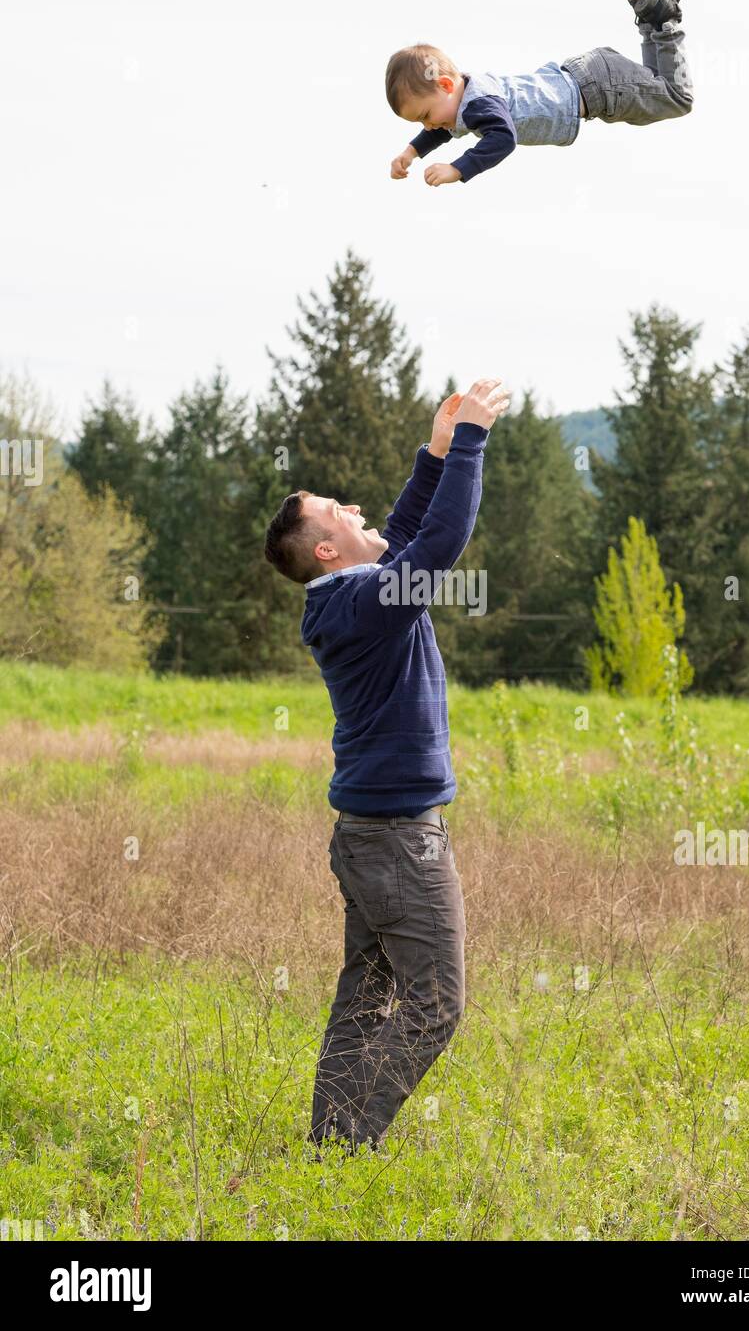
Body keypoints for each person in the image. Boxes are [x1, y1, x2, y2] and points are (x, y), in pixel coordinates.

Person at [264, 377, 510, 1154]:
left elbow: (407, 532)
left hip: (373, 836)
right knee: (436, 1003)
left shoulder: (351, 596)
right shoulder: (363, 603)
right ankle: (346, 1145)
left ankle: (328, 1143)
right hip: (400, 842)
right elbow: (434, 546)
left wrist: (434, 452)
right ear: (328, 549)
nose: (355, 506)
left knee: (366, 1000)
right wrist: (471, 440)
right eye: (337, 510)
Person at [386, 0, 698, 187]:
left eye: (425, 115)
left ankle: (662, 16)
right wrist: (411, 152)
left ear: (444, 85)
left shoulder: (478, 105)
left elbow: (503, 139)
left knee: (677, 97)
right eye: (420, 122)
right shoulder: (466, 98)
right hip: (589, 78)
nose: (428, 125)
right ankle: (651, 15)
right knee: (659, 85)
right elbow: (444, 126)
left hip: (597, 89)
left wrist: (458, 169)